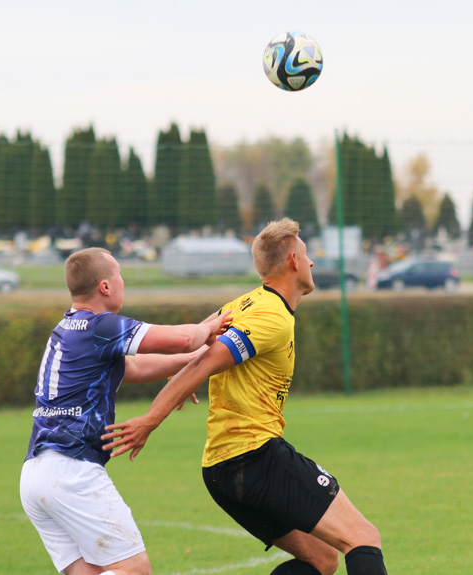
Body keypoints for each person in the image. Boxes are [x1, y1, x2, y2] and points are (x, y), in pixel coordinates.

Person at [102, 219, 388, 575]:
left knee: (322, 559)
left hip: (220, 471)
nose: (312, 261)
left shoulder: (242, 305)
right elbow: (206, 360)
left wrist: (180, 379)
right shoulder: (272, 316)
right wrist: (150, 420)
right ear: (294, 263)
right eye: (306, 253)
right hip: (253, 458)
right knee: (363, 537)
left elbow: (196, 349)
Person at [20, 247, 231, 575]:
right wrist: (218, 325)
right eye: (120, 276)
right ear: (105, 286)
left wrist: (192, 366)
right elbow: (187, 338)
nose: (122, 283)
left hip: (35, 474)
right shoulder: (100, 326)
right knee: (134, 569)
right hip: (71, 471)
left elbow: (134, 368)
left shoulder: (67, 328)